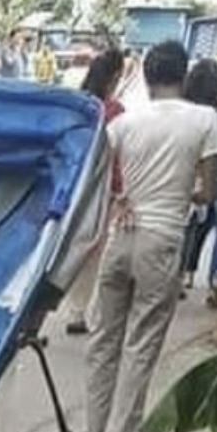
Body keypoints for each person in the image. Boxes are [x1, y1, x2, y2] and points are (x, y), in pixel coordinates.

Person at [78, 40, 217, 432]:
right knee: (141, 348)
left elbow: (97, 178)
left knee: (103, 343)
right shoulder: (204, 119)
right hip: (161, 239)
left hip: (121, 234)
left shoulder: (125, 122)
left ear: (146, 76)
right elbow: (209, 192)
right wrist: (182, 194)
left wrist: (123, 197)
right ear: (183, 74)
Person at [64, 46, 127, 336]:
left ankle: (47, 312)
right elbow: (115, 159)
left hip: (71, 184)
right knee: (93, 251)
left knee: (65, 246)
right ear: (116, 76)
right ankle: (81, 311)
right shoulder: (114, 111)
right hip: (100, 190)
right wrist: (118, 189)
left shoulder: (77, 104)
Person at [180, 57, 217, 292]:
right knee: (210, 228)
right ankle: (207, 274)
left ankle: (184, 273)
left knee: (189, 229)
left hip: (182, 175)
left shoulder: (182, 108)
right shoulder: (214, 115)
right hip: (211, 176)